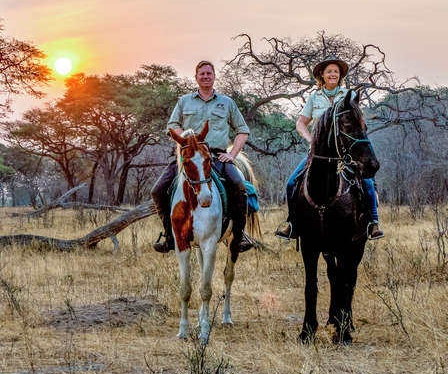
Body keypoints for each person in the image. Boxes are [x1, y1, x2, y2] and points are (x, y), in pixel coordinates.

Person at [274, 56, 384, 240]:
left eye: (336, 71)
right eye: (329, 71)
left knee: (366, 181)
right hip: (318, 154)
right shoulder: (314, 97)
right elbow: (300, 123)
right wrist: (310, 140)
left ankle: (373, 222)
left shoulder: (348, 95)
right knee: (292, 183)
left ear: (340, 75)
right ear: (322, 76)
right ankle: (292, 223)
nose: (333, 74)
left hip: (344, 154)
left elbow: (359, 122)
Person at [151, 60, 254, 253]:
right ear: (196, 77)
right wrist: (186, 141)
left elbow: (243, 131)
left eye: (209, 73)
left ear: (214, 76)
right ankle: (169, 235)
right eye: (202, 74)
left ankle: (239, 236)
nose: (206, 77)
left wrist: (232, 155)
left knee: (239, 187)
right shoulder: (184, 101)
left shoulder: (227, 103)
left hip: (216, 156)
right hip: (189, 157)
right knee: (158, 190)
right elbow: (172, 125)